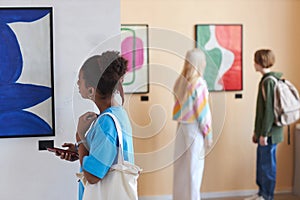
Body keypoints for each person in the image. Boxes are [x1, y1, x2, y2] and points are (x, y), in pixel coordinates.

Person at [56, 51, 134, 200]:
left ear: (91, 90)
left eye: (80, 80)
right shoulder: (118, 114)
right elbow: (106, 158)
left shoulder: (107, 123)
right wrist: (79, 151)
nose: (78, 84)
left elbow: (93, 175)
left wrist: (80, 137)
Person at [172, 48, 213, 200]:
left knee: (181, 168)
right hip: (195, 129)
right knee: (194, 170)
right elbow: (203, 113)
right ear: (200, 62)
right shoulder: (199, 84)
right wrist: (208, 134)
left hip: (181, 127)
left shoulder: (180, 82)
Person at [245, 49, 284, 200]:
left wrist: (264, 134)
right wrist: (257, 131)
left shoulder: (268, 81)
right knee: (262, 163)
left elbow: (268, 112)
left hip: (270, 133)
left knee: (267, 166)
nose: (253, 63)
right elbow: (262, 111)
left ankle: (267, 196)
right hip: (265, 132)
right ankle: (261, 193)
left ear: (260, 62)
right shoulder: (266, 80)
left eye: (255, 60)